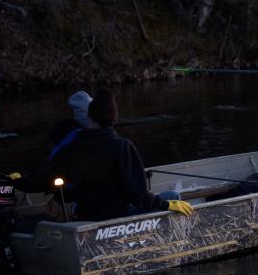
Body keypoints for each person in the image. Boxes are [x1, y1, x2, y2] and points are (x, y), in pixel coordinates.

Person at [47, 88, 194, 221]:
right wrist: (165, 204)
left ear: (90, 117)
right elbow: (140, 197)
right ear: (114, 117)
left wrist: (24, 182)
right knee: (173, 196)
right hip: (118, 217)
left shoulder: (73, 146)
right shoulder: (122, 146)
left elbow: (51, 177)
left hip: (85, 214)